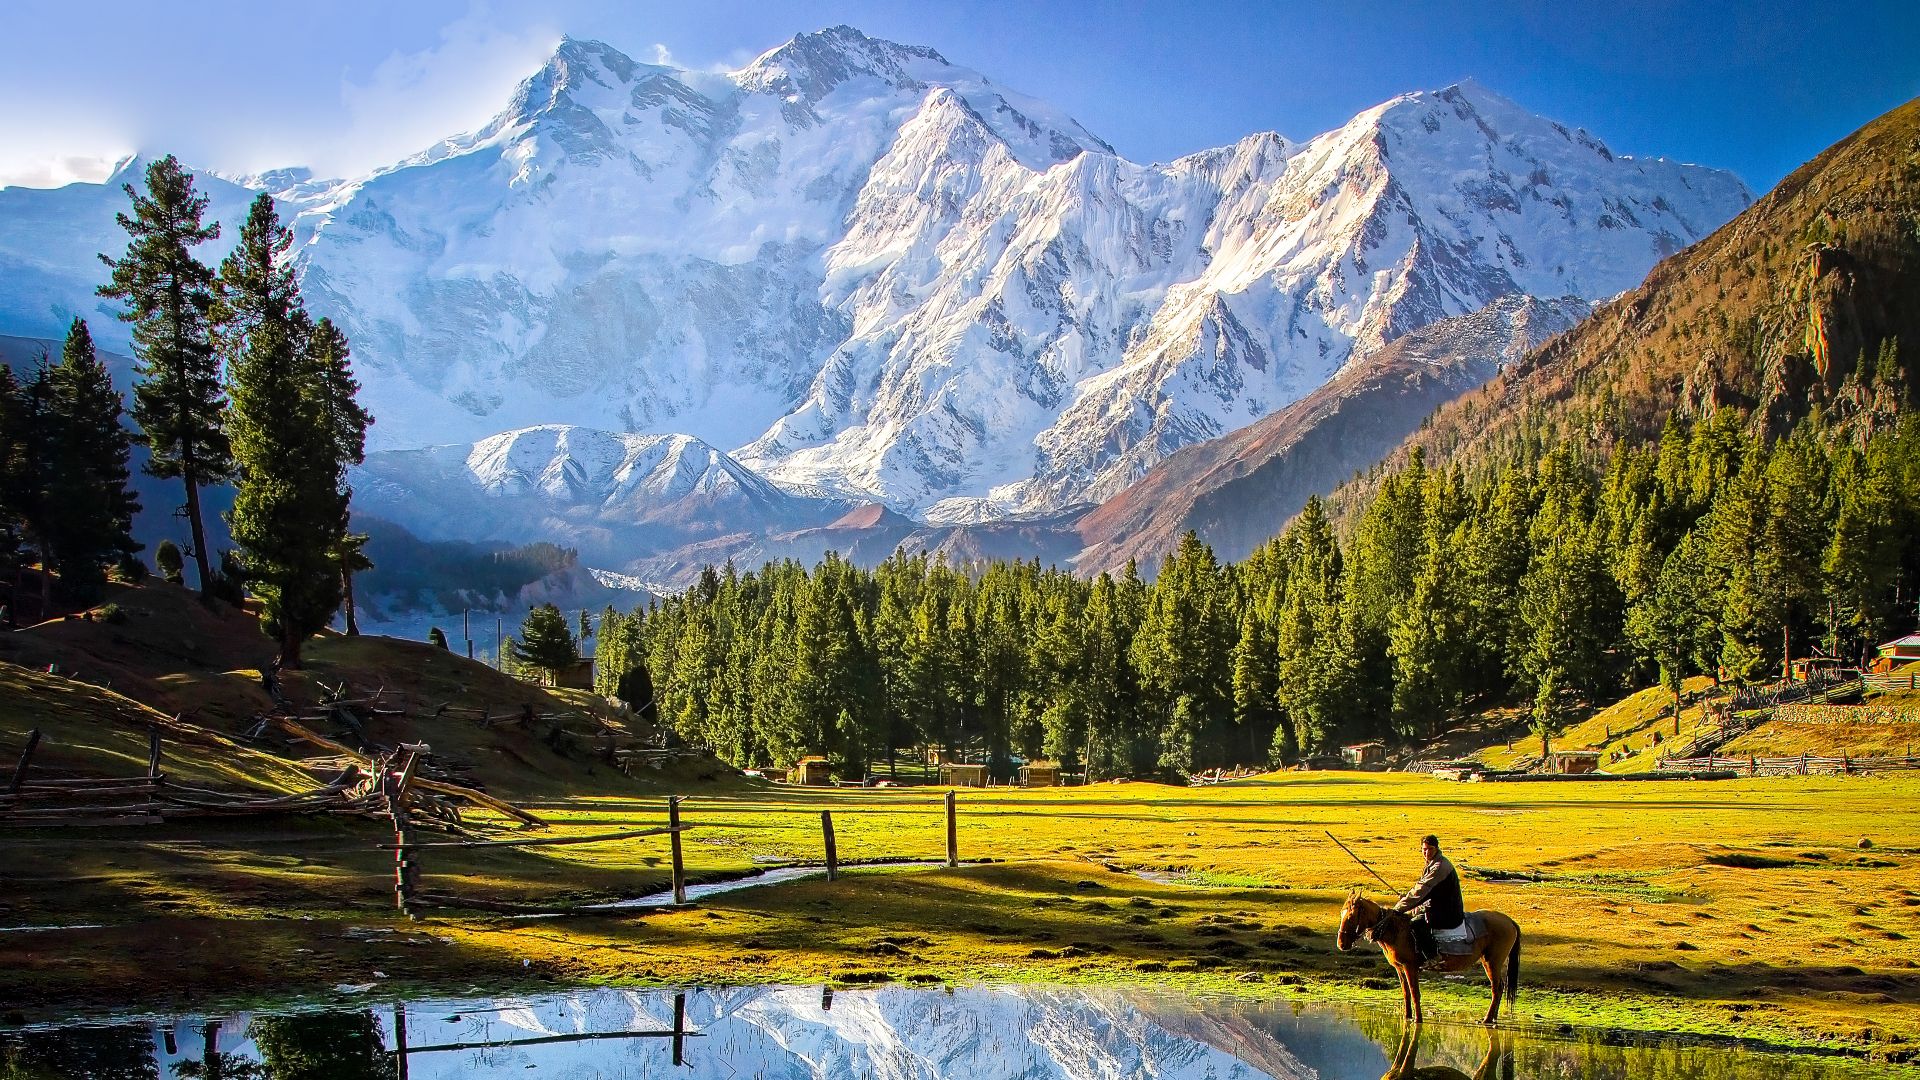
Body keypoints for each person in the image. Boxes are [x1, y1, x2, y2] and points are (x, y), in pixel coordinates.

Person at [1393, 834, 1466, 963]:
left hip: (1447, 912)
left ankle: (1433, 957)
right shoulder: (1432, 864)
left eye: (1430, 849)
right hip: (1438, 906)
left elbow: (1422, 890)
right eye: (1424, 849)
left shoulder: (1439, 867)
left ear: (1436, 849)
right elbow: (1422, 891)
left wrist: (1398, 908)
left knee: (1416, 924)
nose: (1426, 852)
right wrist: (1409, 902)